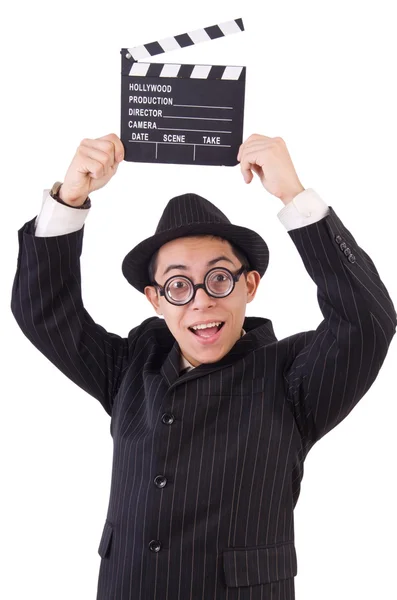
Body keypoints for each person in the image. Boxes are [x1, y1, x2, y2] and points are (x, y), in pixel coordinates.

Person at [10, 132, 396, 600]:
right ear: (155, 299)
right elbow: (44, 313)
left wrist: (295, 196)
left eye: (218, 278)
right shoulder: (131, 367)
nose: (201, 302)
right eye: (177, 286)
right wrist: (69, 200)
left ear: (249, 285)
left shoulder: (293, 379)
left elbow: (368, 320)